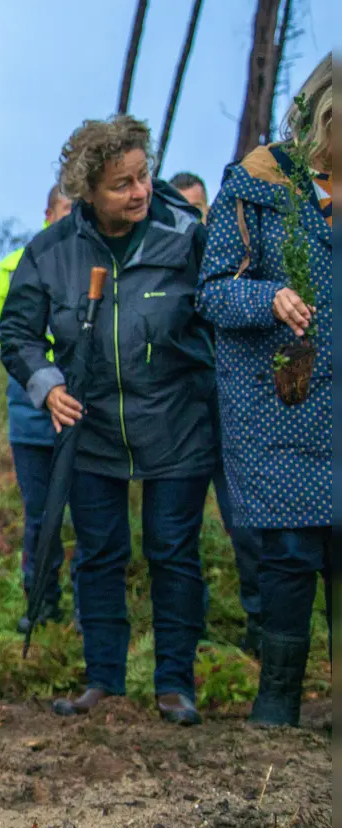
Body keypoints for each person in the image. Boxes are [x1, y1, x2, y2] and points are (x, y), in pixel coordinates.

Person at [0, 115, 217, 727]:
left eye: (144, 175)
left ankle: (175, 685)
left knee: (173, 551)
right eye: (122, 184)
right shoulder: (52, 251)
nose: (141, 191)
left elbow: (220, 309)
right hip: (89, 430)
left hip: (177, 423)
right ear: (88, 190)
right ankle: (103, 682)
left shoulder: (186, 235)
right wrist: (48, 387)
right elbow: (18, 333)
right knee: (98, 554)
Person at [200, 54, 333, 728]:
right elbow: (214, 291)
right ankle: (277, 706)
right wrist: (268, 295)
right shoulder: (255, 186)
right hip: (287, 403)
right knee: (289, 555)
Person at [167, 170, 266, 652]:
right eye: (184, 210)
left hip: (233, 414)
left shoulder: (235, 263)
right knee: (178, 532)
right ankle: (192, 630)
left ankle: (262, 630)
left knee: (246, 526)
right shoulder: (165, 267)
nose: (194, 220)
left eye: (199, 209)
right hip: (183, 415)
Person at [0, 185, 83, 634]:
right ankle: (40, 603)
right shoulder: (14, 264)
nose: (72, 216)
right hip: (30, 410)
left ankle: (87, 611)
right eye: (66, 208)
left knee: (88, 515)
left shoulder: (95, 259)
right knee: (40, 514)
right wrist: (41, 369)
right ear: (47, 212)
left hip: (84, 411)